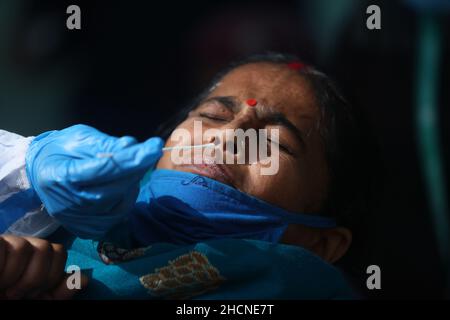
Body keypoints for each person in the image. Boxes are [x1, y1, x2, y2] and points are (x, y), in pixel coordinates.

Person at [0, 53, 377, 299]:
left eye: (274, 142)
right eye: (212, 115)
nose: (227, 136)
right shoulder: (43, 223)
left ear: (323, 245)